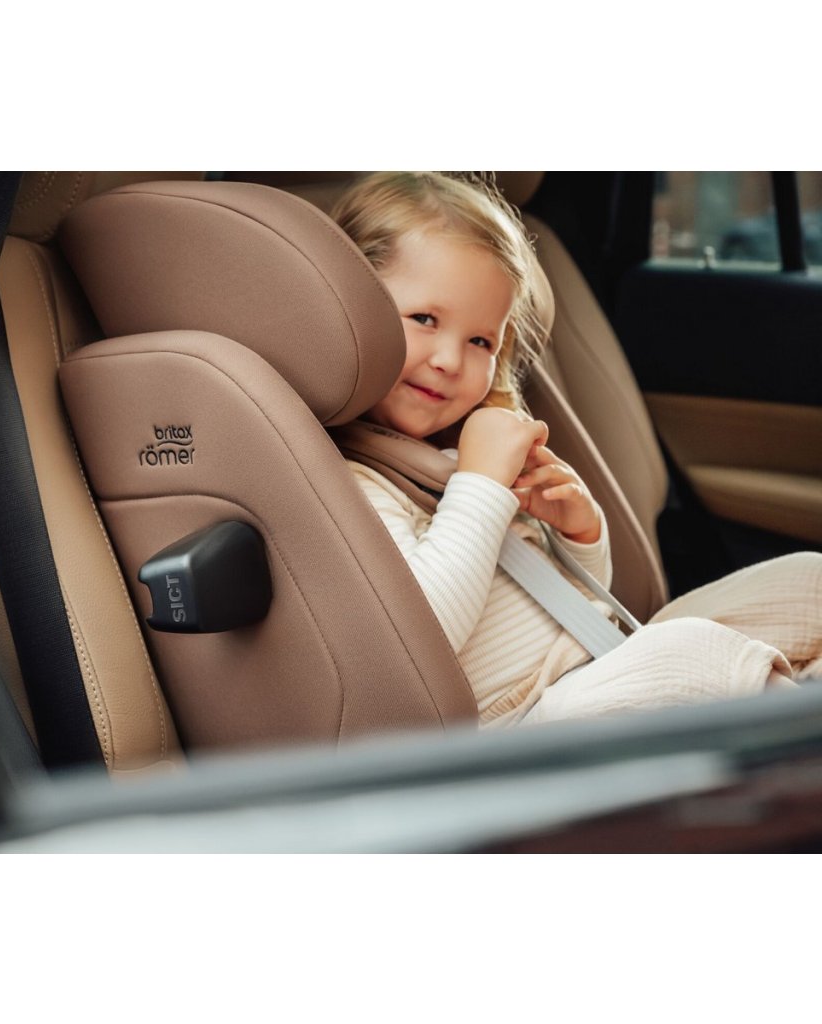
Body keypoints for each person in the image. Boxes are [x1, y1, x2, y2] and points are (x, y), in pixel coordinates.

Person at [331, 171, 822, 726]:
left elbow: (571, 601)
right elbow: (418, 635)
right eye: (424, 319)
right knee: (695, 656)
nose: (449, 360)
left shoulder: (459, 452)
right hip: (522, 726)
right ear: (349, 311)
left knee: (808, 581)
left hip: (598, 660)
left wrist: (580, 537)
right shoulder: (351, 484)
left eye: (480, 341)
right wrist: (481, 487)